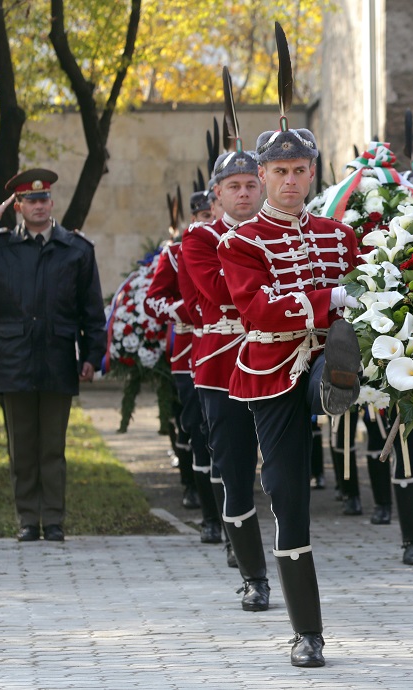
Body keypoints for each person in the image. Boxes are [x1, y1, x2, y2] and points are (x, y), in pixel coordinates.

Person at [217, 126, 361, 667]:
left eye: (301, 170)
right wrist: (332, 297)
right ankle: (308, 634)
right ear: (262, 177)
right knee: (285, 493)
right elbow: (258, 310)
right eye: (280, 172)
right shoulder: (240, 242)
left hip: (326, 353)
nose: (292, 181)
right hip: (272, 369)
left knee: (337, 359)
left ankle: (336, 385)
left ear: (313, 173)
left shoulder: (337, 235)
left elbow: (365, 285)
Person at [0, 169, 106, 543]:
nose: (38, 205)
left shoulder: (77, 249)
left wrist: (93, 355)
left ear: (52, 203)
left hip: (58, 358)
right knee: (21, 449)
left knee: (53, 448)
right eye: (30, 201)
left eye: (44, 199)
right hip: (14, 359)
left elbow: (92, 309)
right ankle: (26, 520)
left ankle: (53, 520)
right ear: (17, 206)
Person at [181, 147, 268, 609]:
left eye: (251, 184)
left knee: (279, 472)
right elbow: (218, 292)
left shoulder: (283, 231)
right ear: (217, 193)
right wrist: (265, 281)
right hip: (223, 367)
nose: (243, 193)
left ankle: (281, 553)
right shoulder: (199, 239)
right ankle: (253, 573)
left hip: (280, 362)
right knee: (234, 471)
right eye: (233, 186)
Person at [145, 190, 223, 545]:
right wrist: (184, 313)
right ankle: (209, 515)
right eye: (203, 216)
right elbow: (153, 300)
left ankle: (231, 509)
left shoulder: (235, 243)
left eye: (213, 213)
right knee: (198, 431)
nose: (209, 220)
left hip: (229, 350)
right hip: (190, 352)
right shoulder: (176, 253)